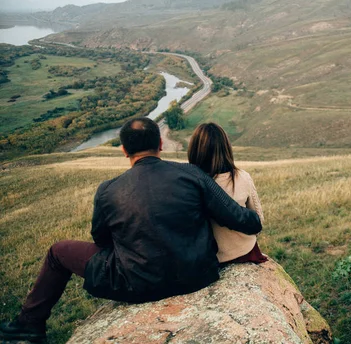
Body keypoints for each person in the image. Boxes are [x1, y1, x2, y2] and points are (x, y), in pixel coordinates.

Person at [0, 117, 262, 343]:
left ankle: (30, 323)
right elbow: (241, 219)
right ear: (160, 144)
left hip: (137, 285)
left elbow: (101, 240)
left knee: (58, 252)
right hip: (198, 276)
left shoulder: (108, 190)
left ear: (124, 150)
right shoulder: (192, 174)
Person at [188, 122, 268, 265]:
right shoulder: (242, 177)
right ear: (226, 148)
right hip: (245, 251)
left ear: (194, 150)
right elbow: (258, 221)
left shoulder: (189, 184)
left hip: (209, 259)